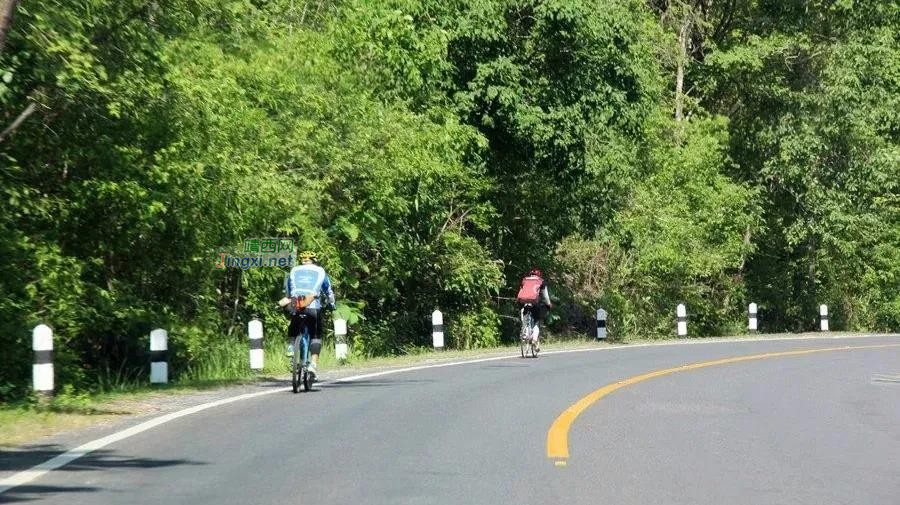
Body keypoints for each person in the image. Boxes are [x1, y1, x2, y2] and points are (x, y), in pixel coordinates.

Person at [279, 250, 335, 379]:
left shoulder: (293, 271)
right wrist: (332, 304)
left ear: (301, 261)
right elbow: (328, 291)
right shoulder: (320, 271)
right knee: (315, 335)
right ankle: (313, 365)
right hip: (312, 306)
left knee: (294, 323)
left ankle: (291, 346)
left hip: (295, 303)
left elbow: (288, 290)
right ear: (314, 260)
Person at [516, 268, 552, 351]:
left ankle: (525, 332)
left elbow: (521, 292)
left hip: (524, 303)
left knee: (524, 316)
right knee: (536, 321)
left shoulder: (525, 280)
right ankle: (534, 339)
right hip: (535, 304)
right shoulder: (541, 281)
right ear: (539, 275)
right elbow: (545, 296)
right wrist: (549, 304)